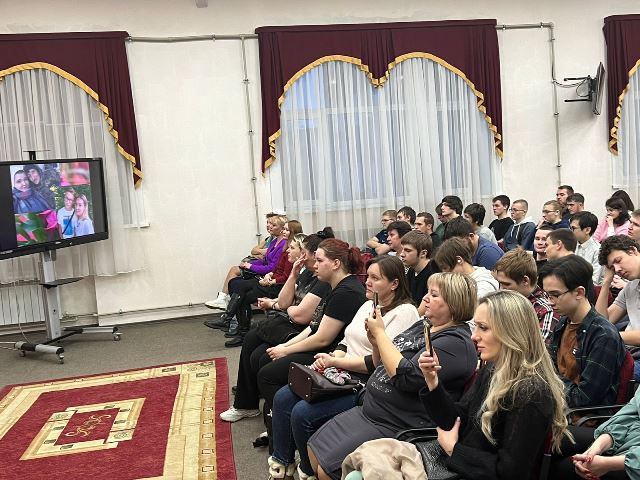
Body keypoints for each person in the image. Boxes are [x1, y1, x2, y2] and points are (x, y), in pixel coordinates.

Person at [307, 272, 478, 480]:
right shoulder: (424, 325)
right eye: (427, 292)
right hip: (370, 411)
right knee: (313, 452)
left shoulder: (456, 344)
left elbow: (405, 378)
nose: (425, 298)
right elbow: (380, 364)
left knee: (327, 471)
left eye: (434, 295)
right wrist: (376, 342)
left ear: (454, 303)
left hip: (396, 423)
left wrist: (380, 334)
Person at [267, 256, 418, 480]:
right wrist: (334, 356)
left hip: (365, 382)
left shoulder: (405, 313)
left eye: (375, 278)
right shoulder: (368, 303)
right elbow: (346, 340)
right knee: (282, 397)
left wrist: (336, 362)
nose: (367, 282)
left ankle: (308, 471)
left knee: (302, 414)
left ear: (394, 284)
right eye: (368, 276)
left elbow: (377, 364)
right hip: (341, 371)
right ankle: (282, 464)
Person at [416, 290, 572, 480]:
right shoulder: (492, 370)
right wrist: (432, 380)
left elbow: (510, 473)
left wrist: (453, 450)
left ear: (511, 331)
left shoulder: (532, 392)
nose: (474, 336)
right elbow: (456, 420)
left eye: (483, 328)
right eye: (476, 327)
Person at [223, 240, 367, 424]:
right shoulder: (335, 286)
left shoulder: (346, 291)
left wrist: (286, 350)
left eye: (320, 260)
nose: (315, 265)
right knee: (262, 354)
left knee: (267, 373)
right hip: (322, 346)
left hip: (329, 353)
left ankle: (284, 423)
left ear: (336, 264)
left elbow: (322, 339)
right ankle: (278, 421)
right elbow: (313, 327)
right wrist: (285, 346)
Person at [217, 233, 331, 422]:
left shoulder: (322, 281)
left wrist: (283, 306)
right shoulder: (305, 274)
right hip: (289, 323)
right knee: (251, 338)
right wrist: (293, 275)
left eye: (297, 249)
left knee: (259, 355)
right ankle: (246, 404)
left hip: (297, 329)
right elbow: (286, 302)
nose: (291, 251)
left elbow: (299, 315)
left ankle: (264, 409)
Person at [540, 256, 627, 408]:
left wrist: (548, 382)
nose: (549, 301)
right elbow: (550, 368)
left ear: (579, 292)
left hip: (581, 415)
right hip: (558, 402)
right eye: (547, 295)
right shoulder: (563, 322)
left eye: (555, 295)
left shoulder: (603, 335)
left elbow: (584, 398)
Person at [222, 223, 304, 348]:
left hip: (279, 286)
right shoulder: (283, 247)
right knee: (236, 284)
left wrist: (271, 280)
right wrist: (269, 275)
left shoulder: (288, 251)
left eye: (286, 230)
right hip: (274, 280)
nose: (283, 231)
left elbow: (286, 277)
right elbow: (275, 268)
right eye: (283, 229)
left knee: (241, 291)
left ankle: (232, 323)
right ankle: (235, 325)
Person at [553, 386, 640, 479]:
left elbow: (583, 397)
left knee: (564, 468)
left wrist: (606, 463)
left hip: (634, 464)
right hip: (629, 438)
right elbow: (630, 414)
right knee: (555, 436)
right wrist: (596, 448)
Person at [206, 214, 290, 310]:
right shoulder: (273, 241)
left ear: (282, 229)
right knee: (234, 282)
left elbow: (272, 267)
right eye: (268, 223)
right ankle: (228, 307)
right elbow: (255, 252)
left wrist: (251, 266)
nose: (268, 226)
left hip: (269, 277)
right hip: (265, 272)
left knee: (238, 284)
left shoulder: (283, 244)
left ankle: (228, 307)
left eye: (273, 225)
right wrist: (249, 264)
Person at [597, 235, 640, 380]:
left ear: (632, 251)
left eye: (618, 261)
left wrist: (610, 337)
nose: (617, 270)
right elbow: (602, 323)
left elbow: (603, 331)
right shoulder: (631, 286)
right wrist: (606, 282)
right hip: (627, 351)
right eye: (612, 268)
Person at [494, 248, 559, 343]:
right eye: (500, 283)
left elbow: (540, 349)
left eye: (507, 284)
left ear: (525, 280)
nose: (501, 289)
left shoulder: (545, 311)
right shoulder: (503, 303)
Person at [399, 231, 437, 306]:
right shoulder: (411, 270)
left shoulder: (434, 273)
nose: (402, 254)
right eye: (402, 249)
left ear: (423, 253)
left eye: (407, 250)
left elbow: (423, 309)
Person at [571, 211, 602, 284]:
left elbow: (594, 280)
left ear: (587, 230)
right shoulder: (570, 244)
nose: (570, 231)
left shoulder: (598, 250)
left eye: (573, 228)